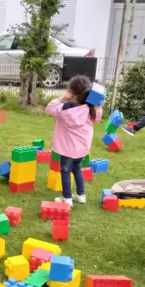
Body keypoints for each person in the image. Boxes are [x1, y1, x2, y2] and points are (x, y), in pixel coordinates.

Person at [45, 75, 103, 206]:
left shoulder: (65, 107)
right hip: (82, 149)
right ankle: (81, 195)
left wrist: (62, 98)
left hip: (67, 149)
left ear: (70, 92)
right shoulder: (91, 108)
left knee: (65, 171)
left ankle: (67, 199)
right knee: (76, 169)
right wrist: (98, 104)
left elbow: (49, 109)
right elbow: (98, 118)